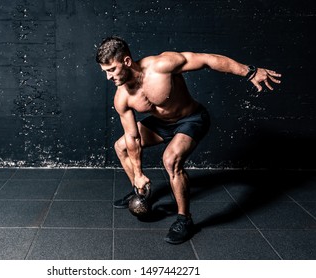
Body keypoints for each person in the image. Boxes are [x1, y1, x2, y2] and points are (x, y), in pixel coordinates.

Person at [95, 36, 281, 244]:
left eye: (111, 69)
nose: (108, 77)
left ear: (127, 62)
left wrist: (250, 71)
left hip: (191, 119)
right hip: (162, 124)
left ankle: (185, 220)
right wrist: (138, 174)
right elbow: (132, 137)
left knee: (170, 160)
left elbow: (209, 60)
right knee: (120, 146)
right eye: (105, 72)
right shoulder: (122, 98)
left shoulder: (162, 65)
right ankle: (140, 191)